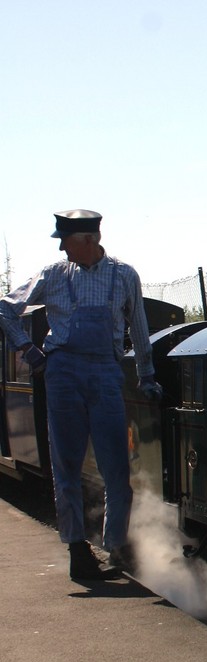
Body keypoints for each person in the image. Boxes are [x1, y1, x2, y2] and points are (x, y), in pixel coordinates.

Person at [0, 209, 161, 581]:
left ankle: (117, 549)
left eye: (66, 241)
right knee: (66, 465)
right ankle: (78, 551)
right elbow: (6, 309)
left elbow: (138, 328)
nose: (62, 249)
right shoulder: (54, 274)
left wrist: (146, 375)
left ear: (89, 240)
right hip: (63, 375)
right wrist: (27, 347)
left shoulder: (124, 275)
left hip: (106, 372)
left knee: (116, 467)